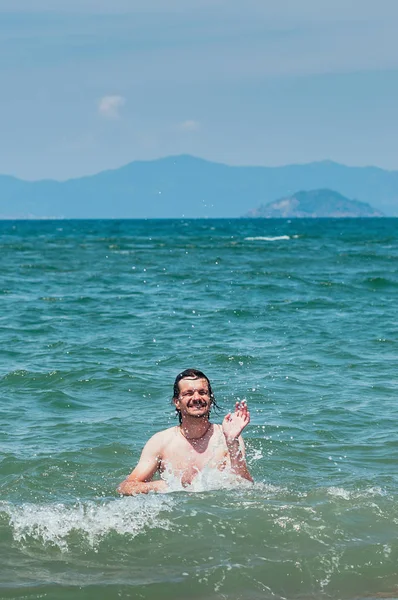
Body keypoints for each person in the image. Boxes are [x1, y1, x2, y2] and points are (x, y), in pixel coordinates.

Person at [117, 368, 253, 495]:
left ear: (210, 400)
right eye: (188, 393)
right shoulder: (161, 442)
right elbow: (125, 487)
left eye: (202, 392)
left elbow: (245, 485)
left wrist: (232, 441)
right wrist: (158, 486)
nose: (196, 398)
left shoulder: (226, 438)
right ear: (177, 402)